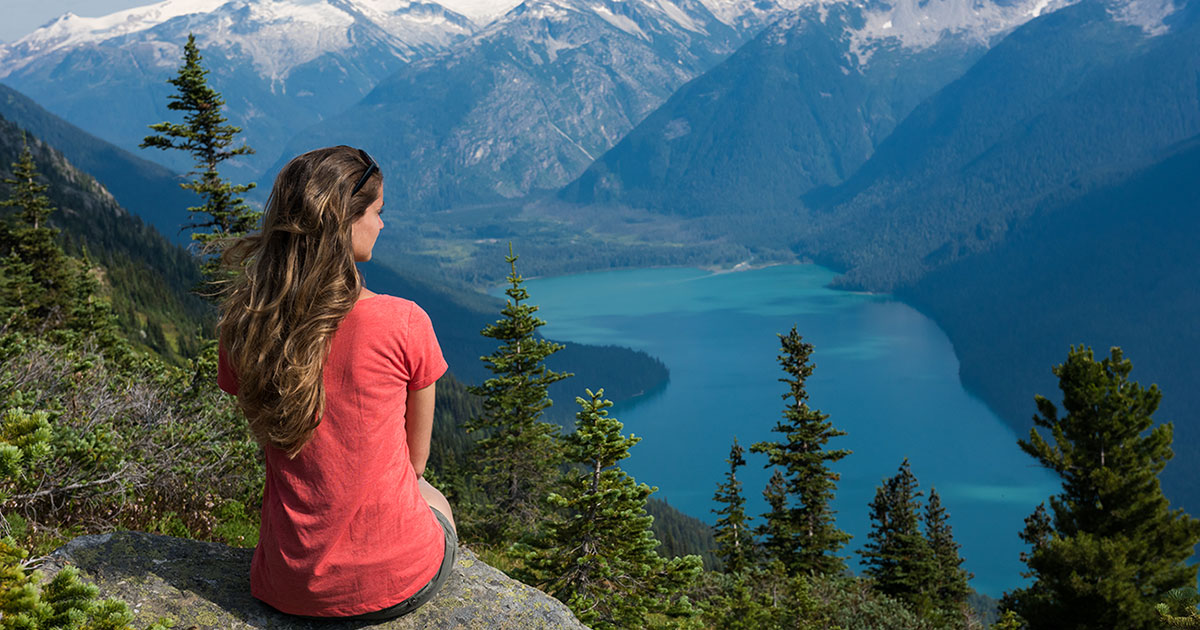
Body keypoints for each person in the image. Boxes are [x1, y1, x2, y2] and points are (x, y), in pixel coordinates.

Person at [213, 145, 457, 620]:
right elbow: (415, 462)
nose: (382, 225)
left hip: (286, 586)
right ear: (346, 221)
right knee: (433, 498)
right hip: (396, 584)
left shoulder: (246, 325)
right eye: (377, 212)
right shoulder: (404, 323)